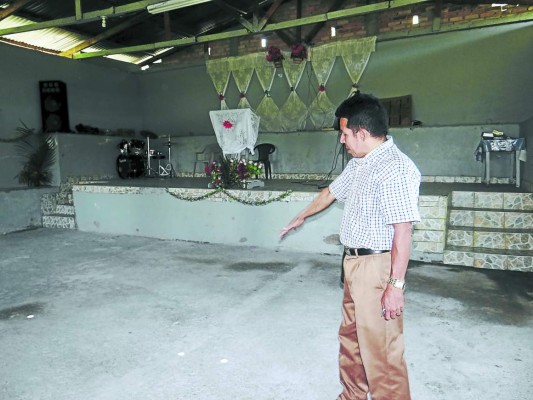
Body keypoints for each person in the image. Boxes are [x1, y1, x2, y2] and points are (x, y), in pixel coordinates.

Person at [280, 92, 421, 400]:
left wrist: (395, 285)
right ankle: (352, 395)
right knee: (352, 341)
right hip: (354, 265)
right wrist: (300, 216)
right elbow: (330, 192)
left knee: (382, 353)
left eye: (344, 134)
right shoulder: (361, 163)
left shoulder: (394, 168)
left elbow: (403, 231)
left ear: (361, 132)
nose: (342, 140)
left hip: (378, 267)